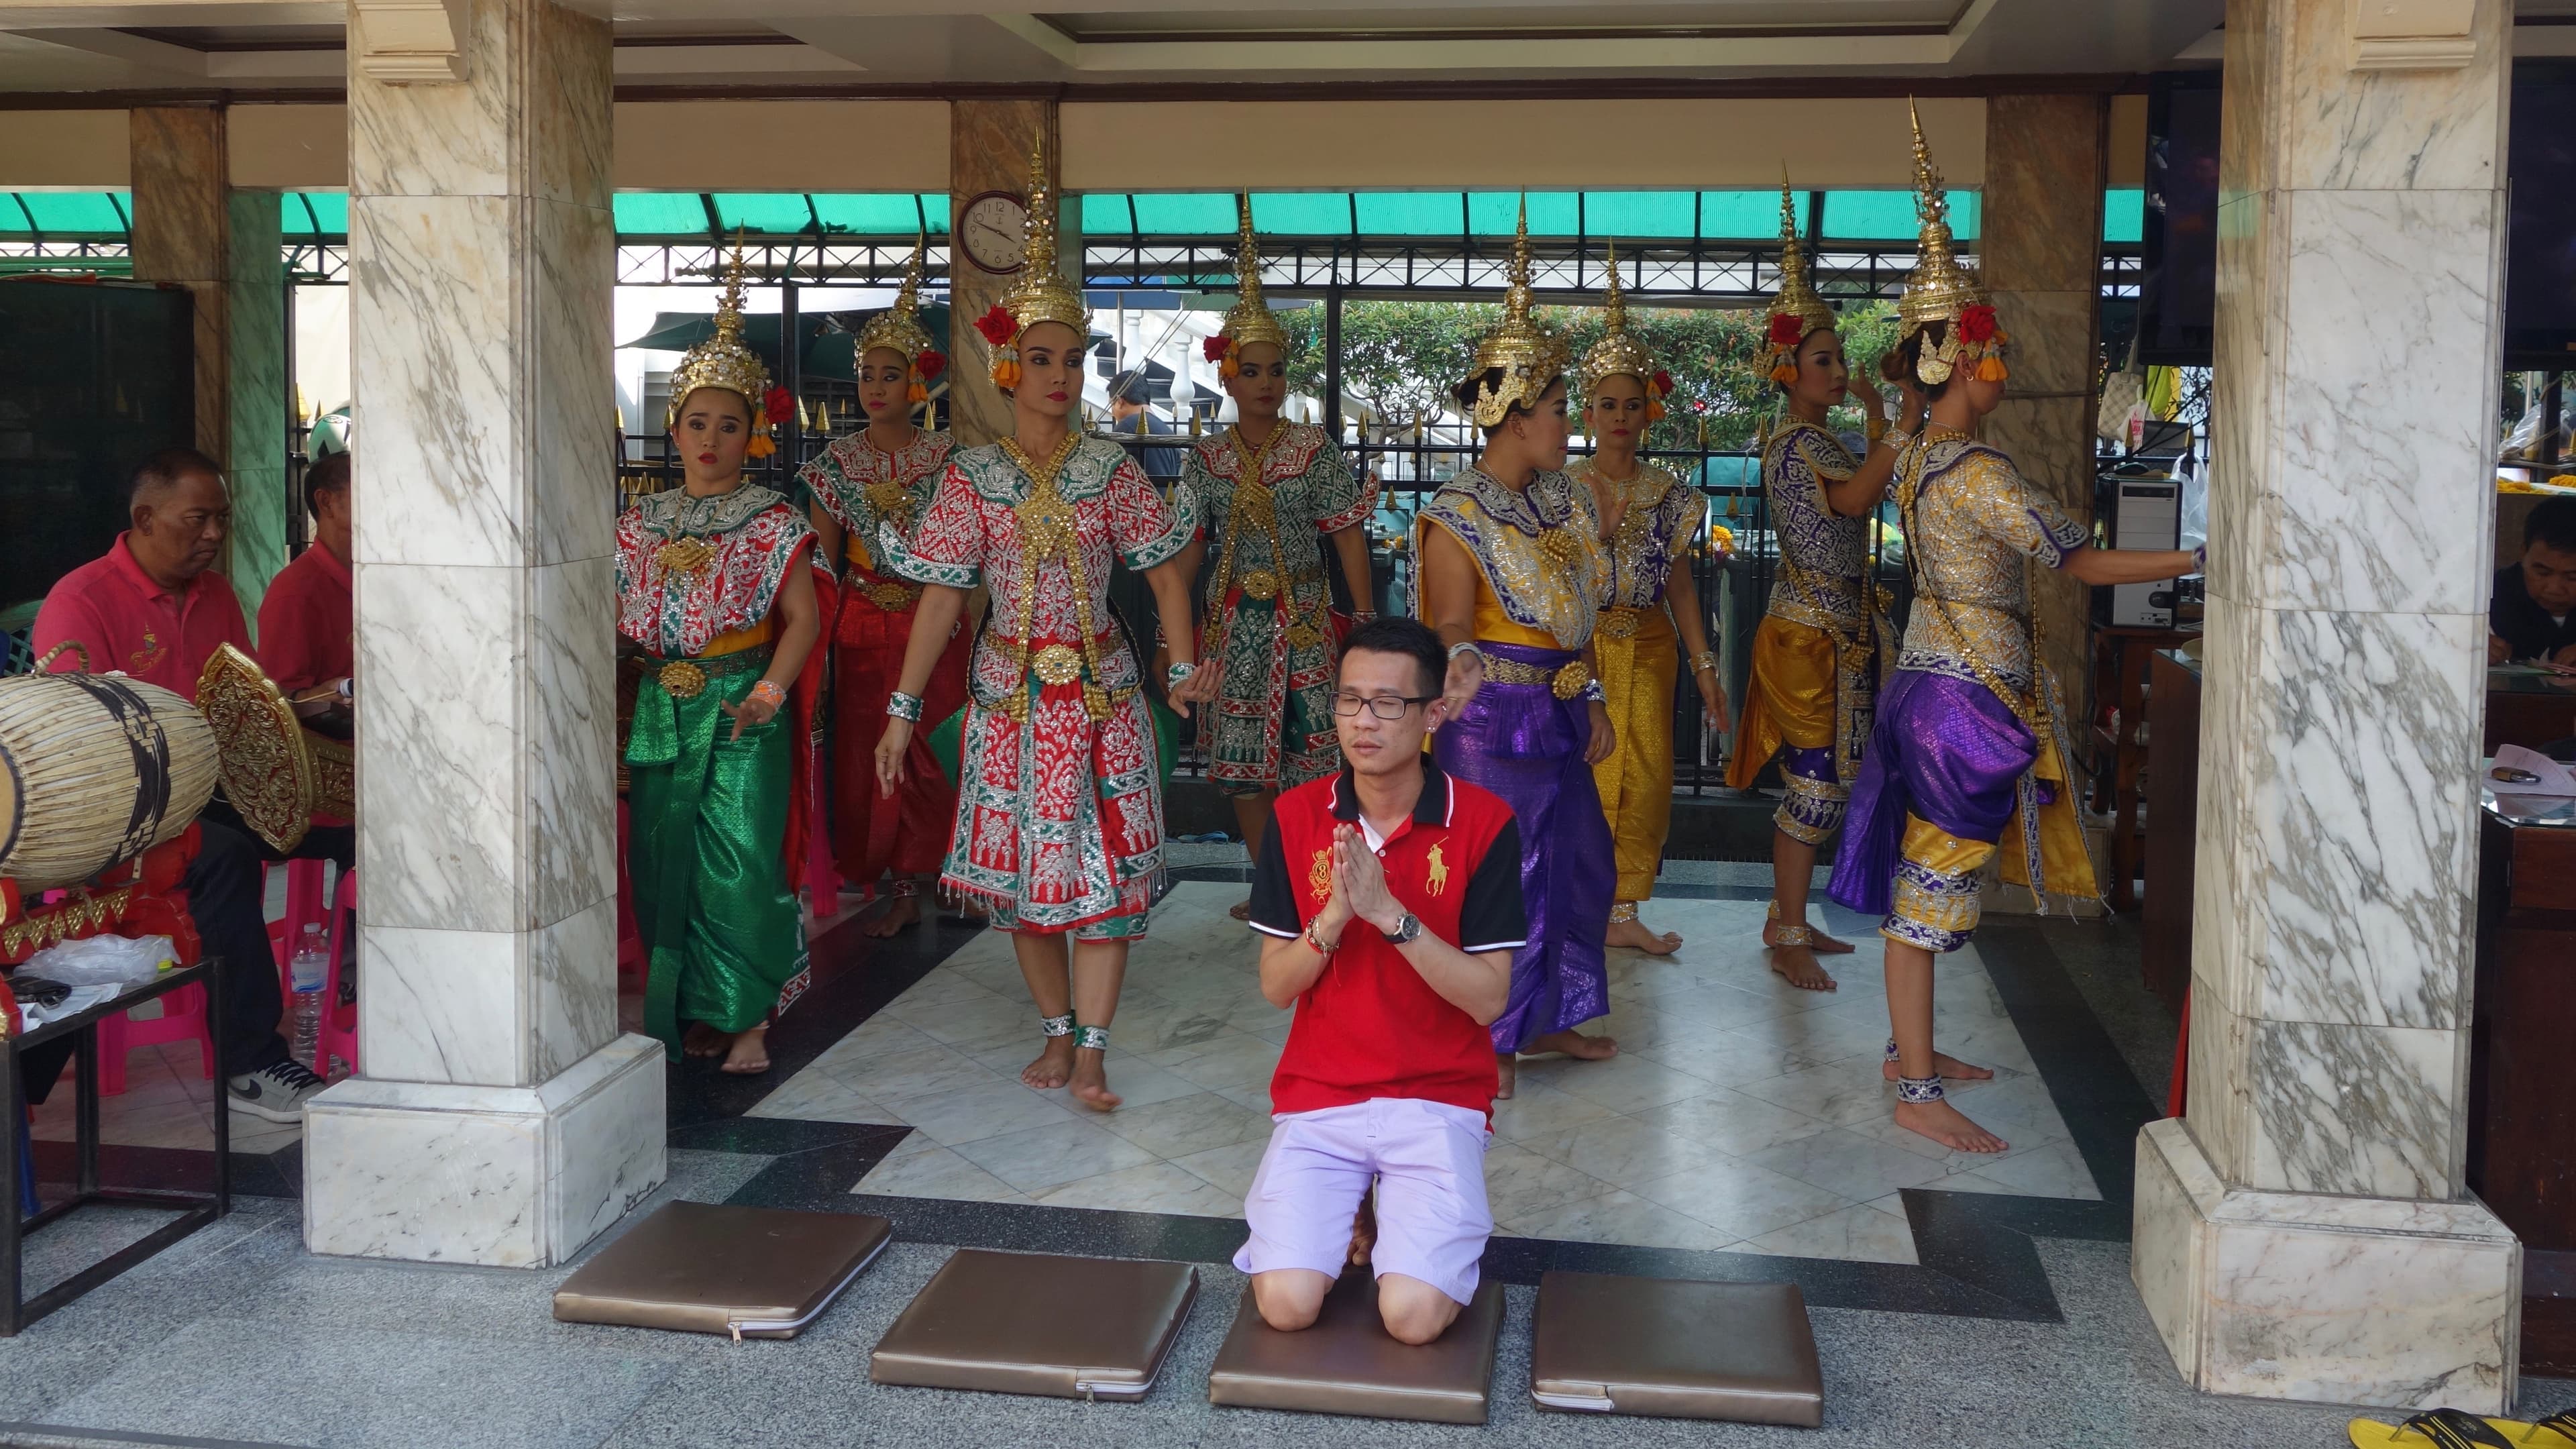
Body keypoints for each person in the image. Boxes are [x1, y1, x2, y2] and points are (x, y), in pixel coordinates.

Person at [1827, 111, 2200, 1152]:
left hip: (1929, 686)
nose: (2005, 365)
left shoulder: (1911, 460)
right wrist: (2195, 558)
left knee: (1933, 882)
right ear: (1954, 360)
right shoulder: (1979, 473)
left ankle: (1919, 1053)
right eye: (1991, 350)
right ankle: (1913, 1088)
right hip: (1959, 701)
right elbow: (2079, 562)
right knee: (1931, 892)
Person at [873, 136, 1208, 1112]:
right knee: (1024, 882)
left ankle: (1096, 1047)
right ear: (1005, 363)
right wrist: (902, 709)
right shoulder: (971, 478)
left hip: (1100, 696)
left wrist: (1182, 669)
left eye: (1075, 359)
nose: (1062, 376)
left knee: (1108, 882)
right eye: (1043, 359)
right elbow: (942, 595)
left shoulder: (1111, 469)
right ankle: (1056, 1036)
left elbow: (1168, 575)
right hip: (1010, 700)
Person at [32, 447, 341, 1121]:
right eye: (197, 519)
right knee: (224, 861)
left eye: (222, 519)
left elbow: (241, 712)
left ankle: (373, 1005)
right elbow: (82, 749)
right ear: (145, 517)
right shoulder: (81, 601)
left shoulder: (218, 596)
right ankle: (250, 1061)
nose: (214, 534)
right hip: (125, 817)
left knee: (343, 823)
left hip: (212, 792)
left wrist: (304, 712)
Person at [1238, 616, 1522, 1346]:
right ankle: (1364, 1201)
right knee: (1287, 1304)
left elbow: (1490, 997)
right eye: (1350, 700)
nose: (1366, 721)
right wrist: (1333, 919)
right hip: (1322, 1096)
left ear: (1433, 715)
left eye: (1390, 704)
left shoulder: (1485, 822)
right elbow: (1276, 986)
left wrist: (1391, 917)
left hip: (1437, 1098)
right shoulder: (1296, 816)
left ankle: (1398, 1213)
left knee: (1413, 1319)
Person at [1413, 201, 1616, 1102]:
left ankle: (1554, 1012)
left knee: (1576, 860)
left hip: (1561, 705)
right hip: (1493, 718)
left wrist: (1593, 696)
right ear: (1514, 413)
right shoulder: (1458, 512)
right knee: (1500, 876)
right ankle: (1488, 1034)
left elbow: (1578, 617)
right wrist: (1457, 672)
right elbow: (1453, 623)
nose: (1570, 419)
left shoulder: (1564, 501)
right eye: (1560, 404)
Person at [617, 246, 824, 1077]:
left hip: (743, 703)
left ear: (755, 432)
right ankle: (697, 1007)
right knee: (664, 862)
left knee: (737, 864)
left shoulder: (773, 520)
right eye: (697, 422)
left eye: (729, 424)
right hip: (662, 705)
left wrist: (770, 695)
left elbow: (802, 620)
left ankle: (751, 1023)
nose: (710, 439)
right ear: (675, 428)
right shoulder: (642, 520)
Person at [1726, 182, 1919, 991]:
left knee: (1832, 782)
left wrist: (1877, 418)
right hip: (1808, 636)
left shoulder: (1824, 436)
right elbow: (1856, 500)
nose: (1838, 370)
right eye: (1825, 360)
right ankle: (1787, 931)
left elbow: (1864, 483)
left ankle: (1792, 920)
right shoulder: (1793, 446)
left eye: (1838, 358)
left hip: (1843, 631)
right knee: (1811, 785)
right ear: (1787, 369)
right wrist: (1902, 423)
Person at [1176, 195, 1377, 922]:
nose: (1266, 382)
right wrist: (1179, 638)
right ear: (1226, 377)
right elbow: (1186, 550)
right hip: (1235, 631)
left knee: (1315, 763)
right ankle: (1273, 887)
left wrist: (1364, 614)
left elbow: (1347, 533)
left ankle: (1319, 883)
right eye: (1251, 370)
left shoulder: (1313, 449)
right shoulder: (1205, 460)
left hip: (1306, 626)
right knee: (1243, 773)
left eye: (1276, 369)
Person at [800, 237, 963, 938]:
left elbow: (963, 556)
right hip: (863, 623)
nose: (875, 386)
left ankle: (949, 872)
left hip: (934, 619)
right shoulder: (834, 465)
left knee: (935, 749)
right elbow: (824, 570)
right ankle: (898, 880)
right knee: (876, 753)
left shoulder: (948, 458)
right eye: (867, 374)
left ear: (917, 383)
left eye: (890, 375)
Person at [1574, 241, 1725, 957]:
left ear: (1650, 409)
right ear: (1588, 409)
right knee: (1583, 769)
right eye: (1609, 404)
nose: (1621, 417)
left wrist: (1704, 665)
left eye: (1633, 404)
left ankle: (1625, 907)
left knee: (1649, 775)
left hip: (1653, 643)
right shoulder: (1561, 488)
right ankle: (1579, 902)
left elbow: (1681, 585)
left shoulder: (1669, 493)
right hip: (1582, 644)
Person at [258, 449, 354, 698]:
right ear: (326, 502)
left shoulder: (384, 576)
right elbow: (280, 703)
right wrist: (328, 695)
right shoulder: (295, 591)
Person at [2489, 495, 2576, 665]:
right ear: (2523, 553)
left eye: (2573, 577)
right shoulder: (2492, 595)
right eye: (2542, 573)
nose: (2554, 589)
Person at [1109, 373, 1186, 482]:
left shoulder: (1127, 427)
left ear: (1120, 402)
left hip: (1142, 497)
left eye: (1111, 405)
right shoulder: (1167, 431)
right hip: (1167, 497)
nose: (1112, 413)